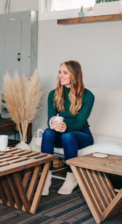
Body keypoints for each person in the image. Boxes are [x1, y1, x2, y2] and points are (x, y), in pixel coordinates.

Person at [41, 60, 95, 196]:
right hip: (60, 133)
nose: (61, 76)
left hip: (81, 135)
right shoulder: (53, 94)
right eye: (60, 72)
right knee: (47, 132)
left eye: (65, 73)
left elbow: (80, 122)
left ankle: (71, 177)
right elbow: (50, 119)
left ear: (74, 75)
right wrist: (52, 123)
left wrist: (66, 127)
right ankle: (45, 176)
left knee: (68, 135)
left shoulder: (88, 96)